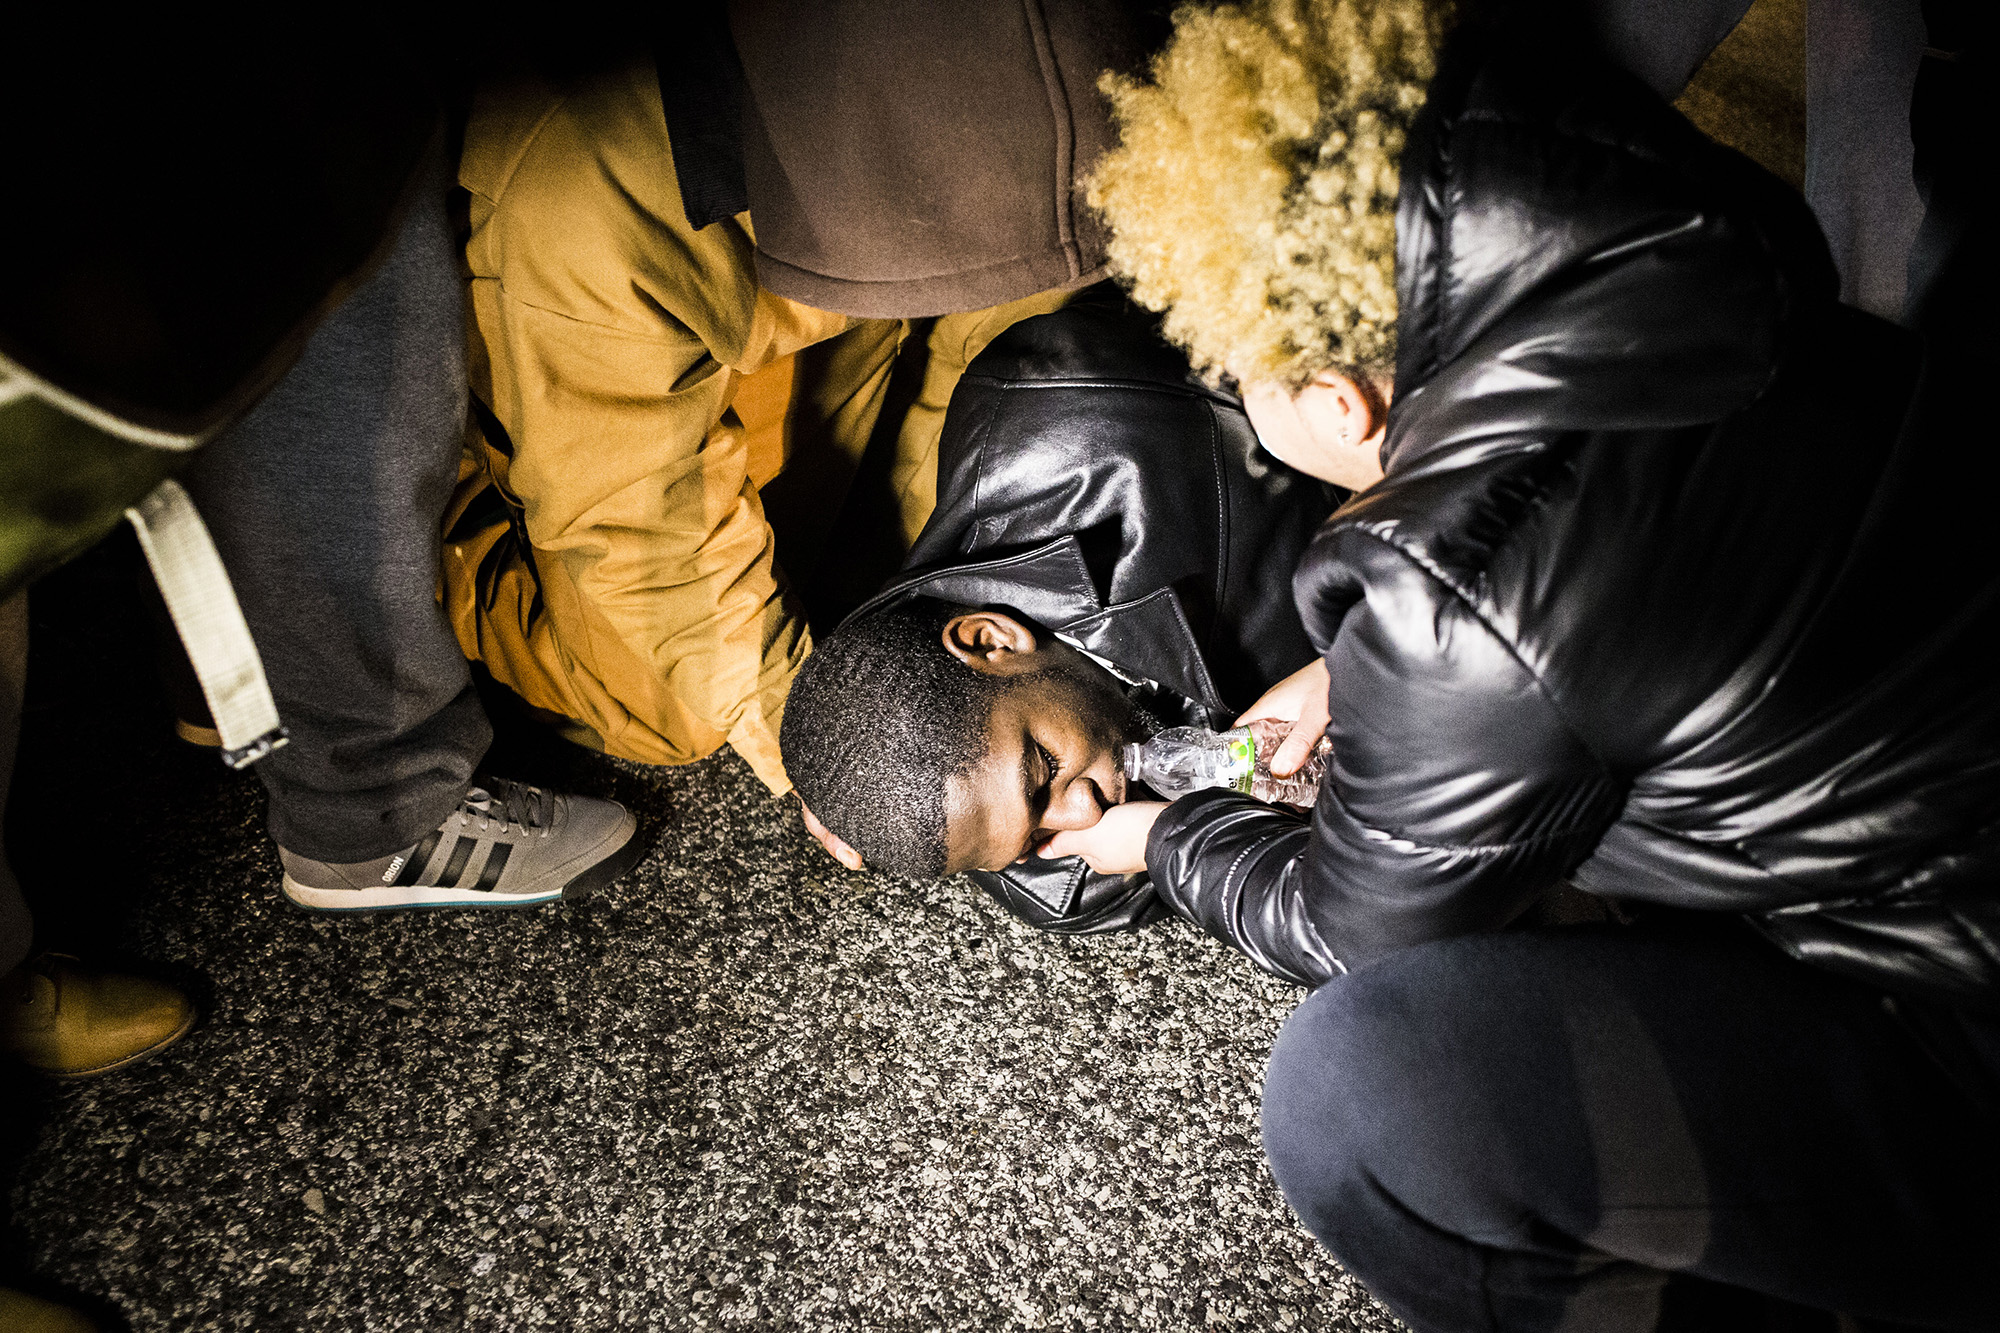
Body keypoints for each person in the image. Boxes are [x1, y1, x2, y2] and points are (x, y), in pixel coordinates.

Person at [1042, 0, 1997, 1328]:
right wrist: (1378, 678)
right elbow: (1601, 598)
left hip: (1965, 1016)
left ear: (1340, 400)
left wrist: (1169, 839)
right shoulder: (1652, 207)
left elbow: (1349, 922)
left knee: (1358, 1097)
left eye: (1243, 384)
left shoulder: (1450, 597)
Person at [443, 3, 1160, 799]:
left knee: (864, 593)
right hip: (587, 355)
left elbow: (1003, 354)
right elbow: (637, 520)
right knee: (671, 707)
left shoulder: (1059, 85)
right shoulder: (582, 196)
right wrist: (809, 734)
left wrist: (956, 583)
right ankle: (423, 549)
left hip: (833, 270)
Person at [781, 286, 1339, 932]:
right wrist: (1172, 838)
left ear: (992, 641)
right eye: (1030, 841)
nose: (1083, 816)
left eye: (1043, 770)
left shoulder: (1095, 414)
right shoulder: (1067, 876)